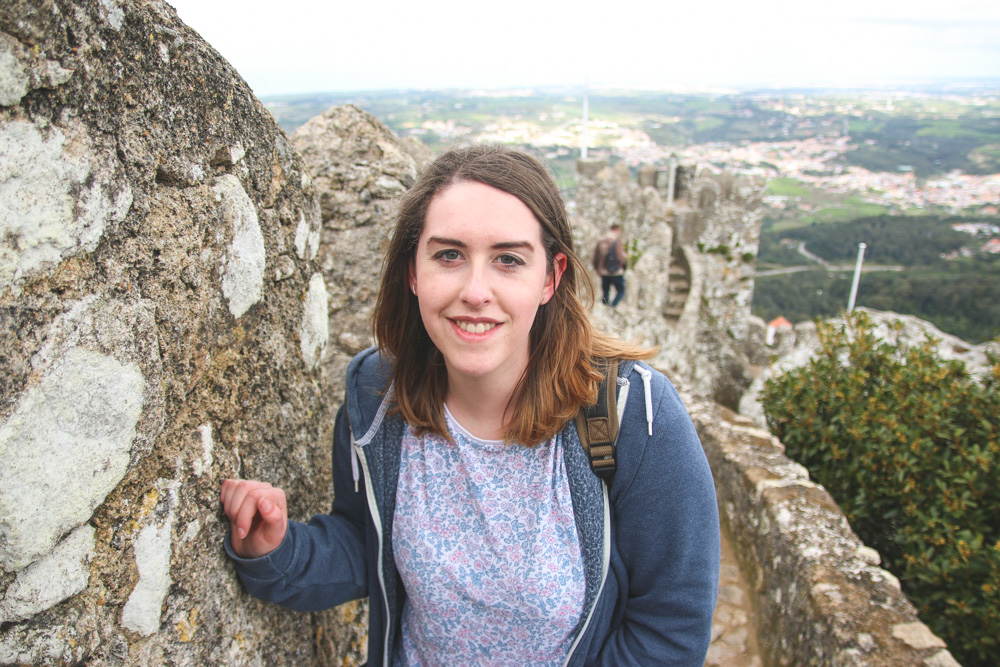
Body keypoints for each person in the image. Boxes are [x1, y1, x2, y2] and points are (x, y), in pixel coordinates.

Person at [220, 145, 720, 666]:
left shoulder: (632, 412)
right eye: (449, 255)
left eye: (508, 259)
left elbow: (671, 627)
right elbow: (365, 543)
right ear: (413, 272)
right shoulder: (376, 395)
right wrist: (276, 550)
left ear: (550, 278)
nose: (475, 291)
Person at [592, 224, 628, 307]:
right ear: (617, 230)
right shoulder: (616, 242)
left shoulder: (601, 241)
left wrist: (597, 269)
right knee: (621, 291)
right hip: (616, 272)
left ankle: (605, 307)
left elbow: (595, 257)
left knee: (605, 291)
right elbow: (621, 258)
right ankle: (613, 306)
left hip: (603, 271)